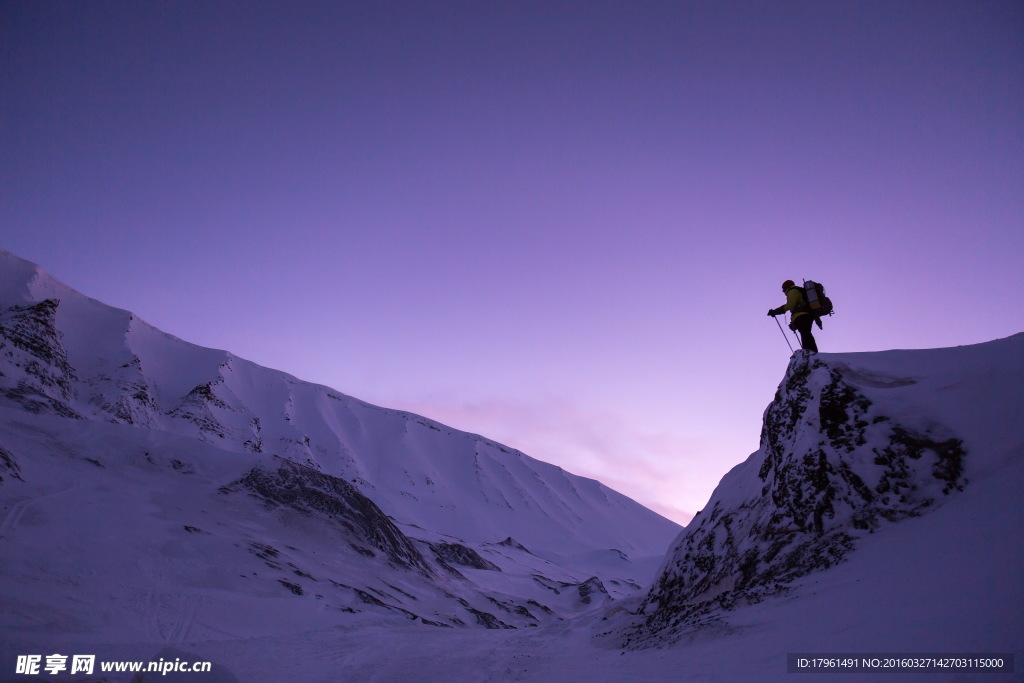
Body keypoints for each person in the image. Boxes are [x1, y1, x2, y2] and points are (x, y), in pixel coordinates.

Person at [768, 280, 818, 352]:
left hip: (802, 316)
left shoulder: (792, 291)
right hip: (806, 315)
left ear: (786, 287)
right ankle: (810, 351)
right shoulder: (796, 291)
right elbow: (795, 308)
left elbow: (790, 305)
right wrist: (793, 323)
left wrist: (775, 311)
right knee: (805, 333)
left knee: (805, 333)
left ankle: (809, 351)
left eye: (783, 289)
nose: (783, 291)